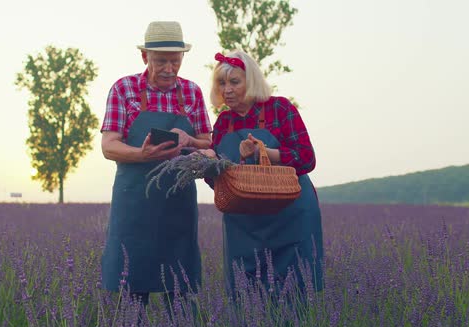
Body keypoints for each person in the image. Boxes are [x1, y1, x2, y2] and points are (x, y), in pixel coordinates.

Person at [100, 21, 212, 305]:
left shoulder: (192, 92)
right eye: (161, 61)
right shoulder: (123, 89)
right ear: (144, 57)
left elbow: (209, 143)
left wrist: (189, 141)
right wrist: (143, 154)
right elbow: (109, 146)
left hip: (178, 203)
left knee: (180, 290)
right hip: (134, 203)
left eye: (175, 61)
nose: (169, 69)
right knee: (133, 290)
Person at [201, 50, 324, 301]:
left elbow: (306, 158)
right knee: (247, 295)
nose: (227, 90)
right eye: (221, 83)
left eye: (234, 82)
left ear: (252, 81)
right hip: (244, 221)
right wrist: (210, 164)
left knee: (294, 292)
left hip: (290, 214)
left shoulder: (280, 108)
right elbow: (218, 182)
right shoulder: (224, 122)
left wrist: (267, 153)